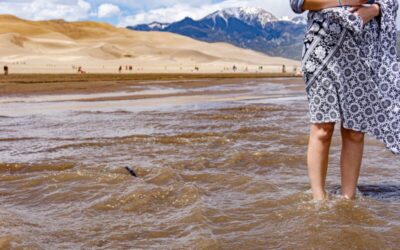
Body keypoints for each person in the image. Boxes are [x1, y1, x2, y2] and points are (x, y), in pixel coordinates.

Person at [290, 0, 400, 201]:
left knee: (355, 131)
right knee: (323, 128)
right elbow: (297, 3)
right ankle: (318, 201)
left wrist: (374, 10)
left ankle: (348, 200)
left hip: (363, 46)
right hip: (321, 45)